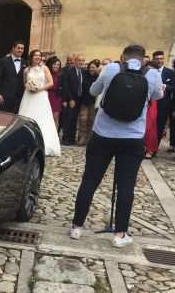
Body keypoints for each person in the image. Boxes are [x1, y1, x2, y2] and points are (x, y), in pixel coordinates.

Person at [70, 45, 163, 247]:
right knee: (126, 186)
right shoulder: (153, 74)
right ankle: (120, 234)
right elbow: (157, 97)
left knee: (90, 180)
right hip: (132, 138)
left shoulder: (112, 68)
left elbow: (93, 90)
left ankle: (77, 227)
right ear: (143, 59)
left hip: (103, 134)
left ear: (123, 57)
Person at [19, 50, 61, 156]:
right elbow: (24, 83)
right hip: (29, 96)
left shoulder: (45, 68)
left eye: (39, 55)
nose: (37, 57)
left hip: (41, 96)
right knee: (27, 117)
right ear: (31, 57)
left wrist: (39, 88)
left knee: (43, 118)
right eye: (35, 55)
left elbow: (51, 83)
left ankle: (45, 144)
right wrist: (29, 86)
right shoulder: (26, 70)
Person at [151, 51, 175, 147]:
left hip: (163, 104)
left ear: (164, 59)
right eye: (157, 59)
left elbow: (174, 87)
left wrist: (164, 86)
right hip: (150, 103)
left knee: (159, 126)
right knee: (148, 125)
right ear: (153, 59)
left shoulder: (170, 72)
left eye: (161, 58)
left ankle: (154, 148)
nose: (159, 61)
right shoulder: (149, 70)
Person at [61, 53, 87, 145]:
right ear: (75, 61)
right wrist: (70, 99)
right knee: (69, 119)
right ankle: (66, 139)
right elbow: (66, 86)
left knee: (75, 120)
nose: (81, 62)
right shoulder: (69, 71)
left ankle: (72, 139)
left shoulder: (84, 72)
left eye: (82, 61)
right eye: (79, 60)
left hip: (81, 100)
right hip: (71, 99)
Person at [0, 41, 26, 113]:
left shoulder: (25, 63)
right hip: (4, 96)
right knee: (1, 118)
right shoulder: (3, 61)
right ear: (13, 48)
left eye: (22, 48)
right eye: (18, 48)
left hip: (18, 97)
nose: (20, 50)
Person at [78, 60, 99, 145]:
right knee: (83, 119)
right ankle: (82, 137)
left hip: (93, 101)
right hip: (84, 100)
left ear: (97, 68)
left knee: (91, 120)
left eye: (93, 67)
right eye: (90, 67)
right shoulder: (84, 75)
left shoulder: (98, 77)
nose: (91, 69)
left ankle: (90, 139)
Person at [46, 56, 63, 129]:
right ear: (51, 64)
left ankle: (54, 136)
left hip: (56, 98)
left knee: (55, 117)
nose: (56, 66)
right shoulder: (46, 73)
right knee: (47, 117)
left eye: (58, 65)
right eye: (54, 64)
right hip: (46, 97)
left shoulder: (61, 75)